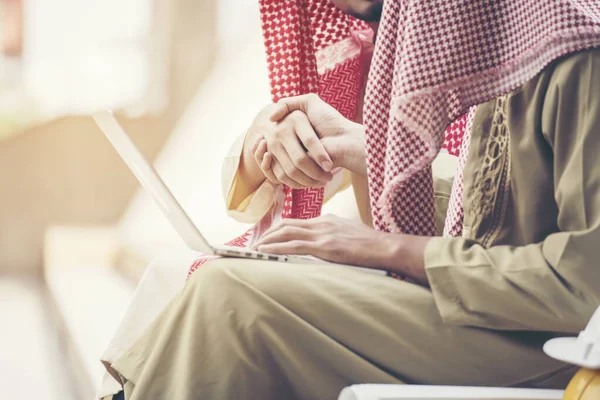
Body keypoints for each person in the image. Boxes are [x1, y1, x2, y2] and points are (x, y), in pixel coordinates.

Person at [104, 1, 600, 399]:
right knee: (203, 276)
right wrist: (369, 152)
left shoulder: (577, 58)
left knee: (231, 296)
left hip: (550, 350)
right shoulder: (508, 48)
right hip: (487, 308)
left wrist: (382, 248)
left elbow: (585, 283)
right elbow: (492, 209)